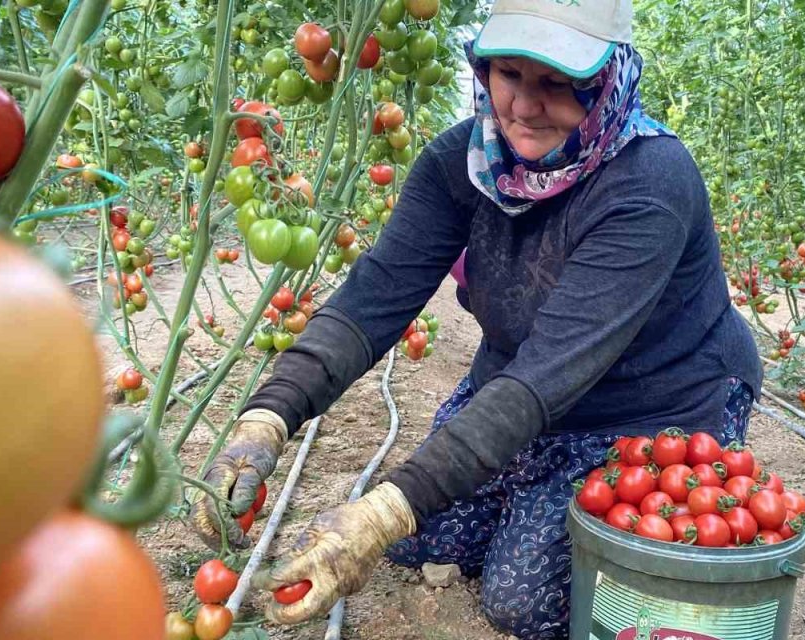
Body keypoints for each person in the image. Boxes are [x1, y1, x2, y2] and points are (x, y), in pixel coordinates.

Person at [189, 0, 762, 637]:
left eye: (556, 84)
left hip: (650, 407)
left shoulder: (649, 183)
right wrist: (269, 415)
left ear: (607, 84)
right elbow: (373, 299)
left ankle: (574, 505)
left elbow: (547, 375)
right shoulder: (462, 162)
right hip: (515, 390)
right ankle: (529, 497)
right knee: (421, 541)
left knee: (522, 602)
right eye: (509, 74)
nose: (521, 105)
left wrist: (383, 512)